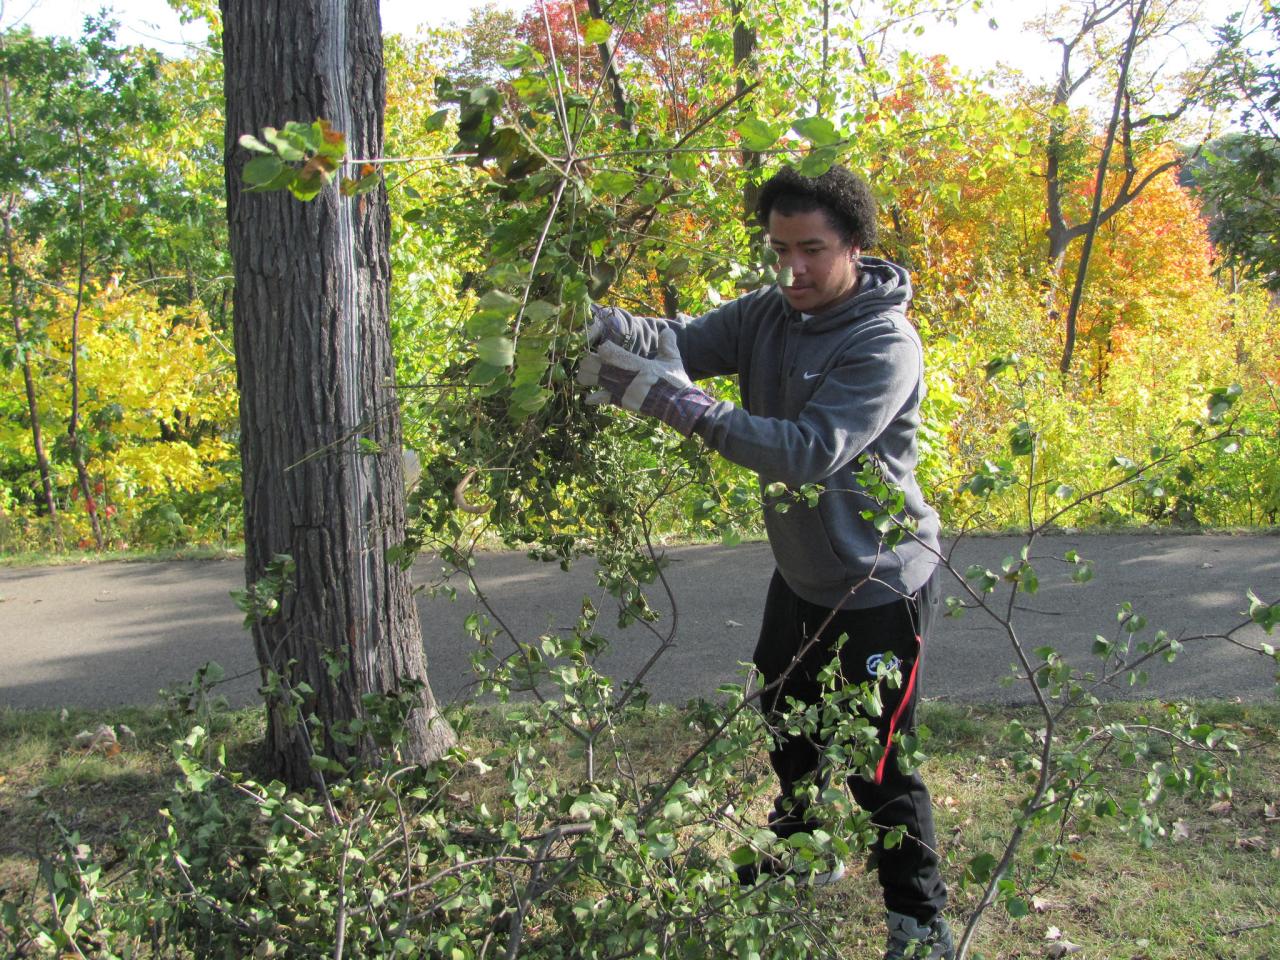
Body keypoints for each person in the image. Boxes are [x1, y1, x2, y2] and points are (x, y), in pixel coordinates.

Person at [576, 163, 953, 960]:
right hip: (804, 579)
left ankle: (919, 923)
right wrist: (590, 323)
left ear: (854, 244)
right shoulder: (768, 312)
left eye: (811, 249)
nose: (794, 269)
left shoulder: (884, 342)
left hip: (880, 583)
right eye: (780, 249)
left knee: (878, 766)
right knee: (786, 720)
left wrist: (680, 405)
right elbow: (675, 341)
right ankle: (804, 849)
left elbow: (809, 452)